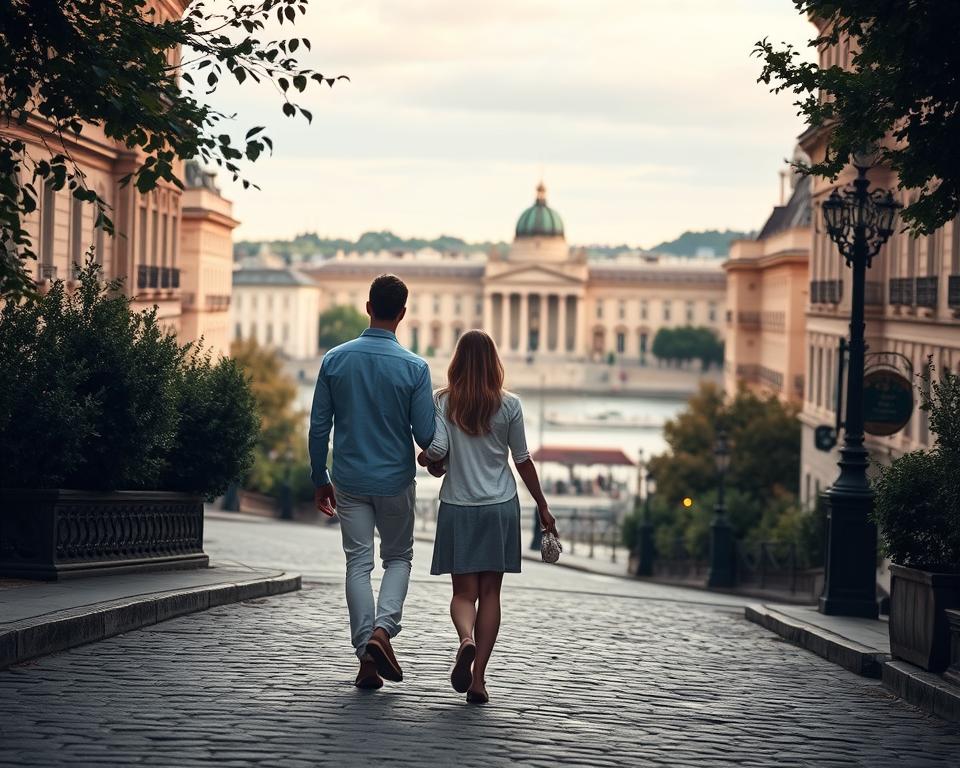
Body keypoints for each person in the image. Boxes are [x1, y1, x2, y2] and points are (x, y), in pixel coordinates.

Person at [309, 274, 435, 690]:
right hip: (395, 480)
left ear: (368, 307)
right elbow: (425, 435)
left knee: (358, 564)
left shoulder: (334, 359)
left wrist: (319, 476)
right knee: (398, 559)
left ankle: (367, 656)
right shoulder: (416, 368)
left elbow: (318, 429)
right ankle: (382, 633)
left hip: (347, 478)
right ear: (402, 314)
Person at [419, 330, 558, 704]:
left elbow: (439, 457)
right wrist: (543, 505)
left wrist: (432, 463)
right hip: (500, 507)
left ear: (457, 362)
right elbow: (523, 460)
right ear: (495, 363)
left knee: (463, 593)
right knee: (491, 593)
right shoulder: (510, 405)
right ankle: (478, 678)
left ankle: (465, 639)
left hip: (459, 505)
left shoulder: (442, 402)